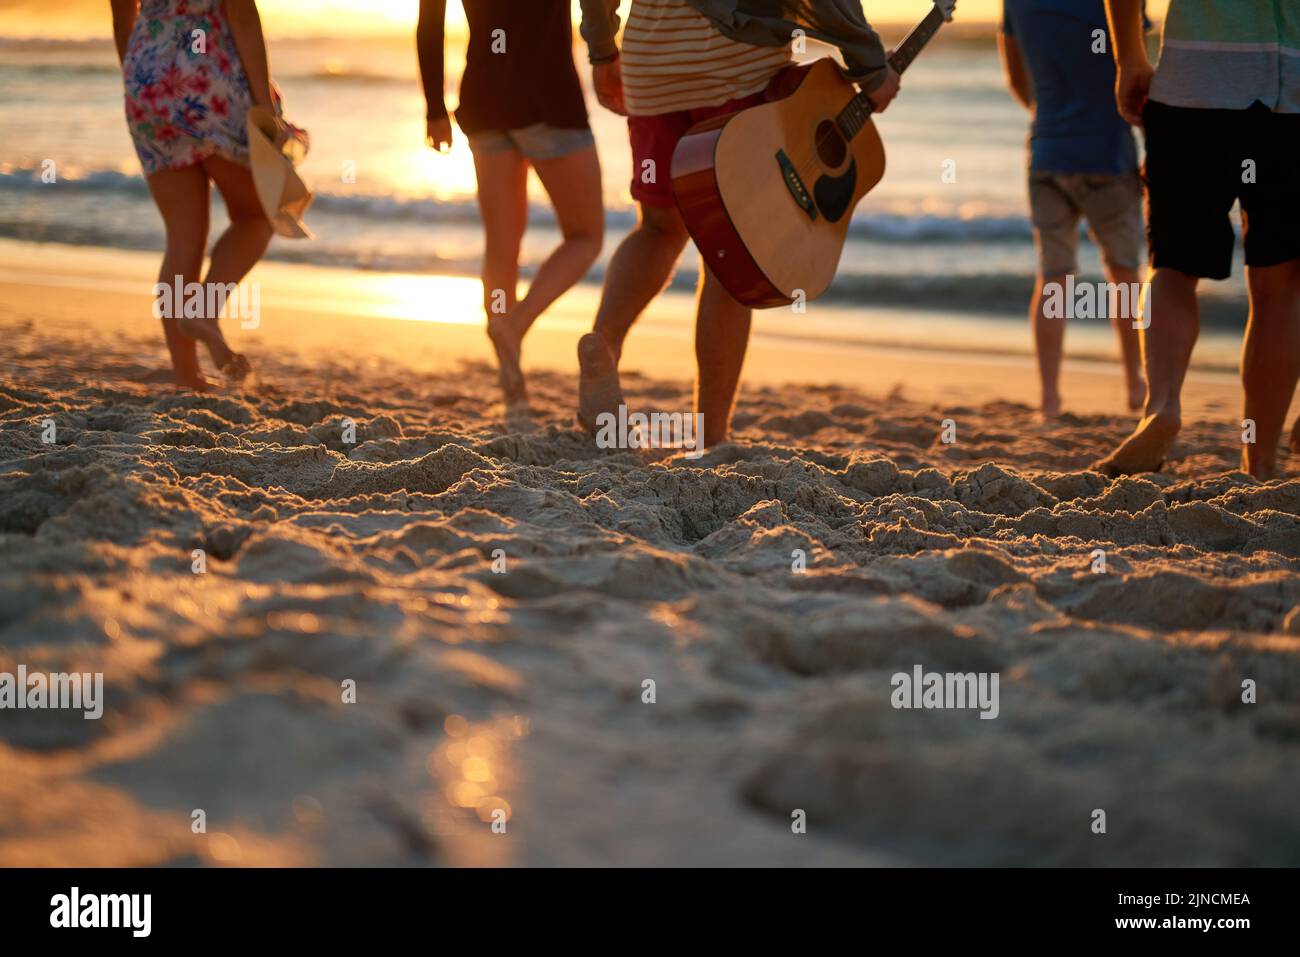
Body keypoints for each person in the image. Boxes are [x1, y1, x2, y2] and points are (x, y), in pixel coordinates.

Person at [575, 0, 900, 448]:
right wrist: (870, 64)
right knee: (731, 255)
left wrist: (602, 48)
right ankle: (710, 437)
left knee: (658, 229)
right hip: (736, 66)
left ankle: (605, 345)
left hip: (651, 66)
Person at [1098, 0, 1300, 478]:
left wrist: (1129, 57)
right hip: (1292, 97)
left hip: (1194, 86)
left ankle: (1162, 406)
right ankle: (1261, 460)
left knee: (1173, 265)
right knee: (1280, 289)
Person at [417, 0, 604, 411]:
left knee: (502, 246)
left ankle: (509, 367)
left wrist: (434, 108)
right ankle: (514, 325)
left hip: (484, 100)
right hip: (549, 100)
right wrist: (610, 56)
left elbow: (430, 21)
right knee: (585, 236)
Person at [112, 0, 292, 387]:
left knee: (182, 238)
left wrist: (139, 77)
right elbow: (241, 13)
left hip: (147, 73)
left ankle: (187, 376)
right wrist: (265, 107)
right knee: (259, 214)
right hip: (209, 75)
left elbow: (121, 9)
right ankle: (203, 310)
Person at [999, 0, 1145, 418]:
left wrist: (1049, 116)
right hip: (1109, 150)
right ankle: (1135, 384)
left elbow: (1015, 76)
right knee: (1125, 273)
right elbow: (1139, 65)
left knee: (1053, 278)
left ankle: (1049, 398)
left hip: (1049, 149)